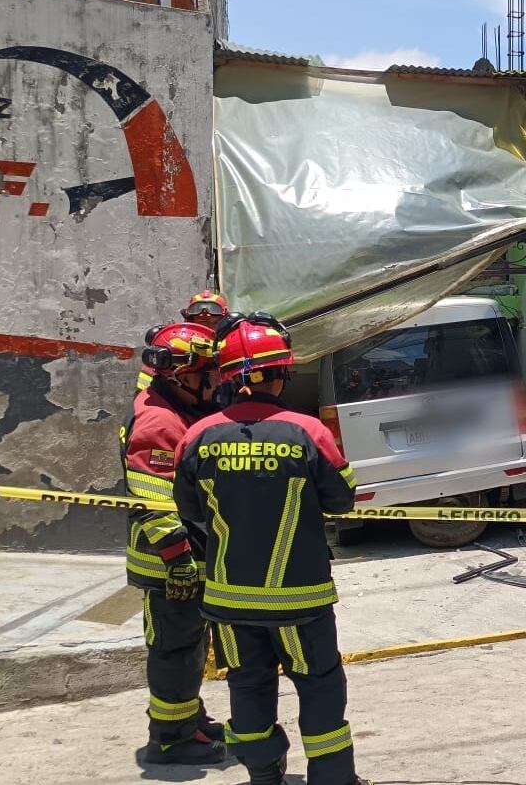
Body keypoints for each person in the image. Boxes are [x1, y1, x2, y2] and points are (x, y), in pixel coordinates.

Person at [173, 312, 368, 785]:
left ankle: (263, 775)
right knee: (320, 687)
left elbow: (189, 508)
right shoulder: (308, 433)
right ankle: (332, 778)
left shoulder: (195, 437)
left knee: (247, 688)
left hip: (231, 601)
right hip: (300, 598)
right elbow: (343, 498)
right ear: (279, 373)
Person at [120, 321, 226, 765]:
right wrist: (179, 559)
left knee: (188, 647)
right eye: (207, 375)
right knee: (175, 649)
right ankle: (170, 739)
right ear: (181, 376)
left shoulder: (173, 405)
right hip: (169, 563)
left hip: (184, 556)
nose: (215, 382)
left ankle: (187, 719)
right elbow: (154, 501)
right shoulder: (159, 421)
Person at [136, 290, 230, 396]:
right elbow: (144, 396)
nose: (204, 332)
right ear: (189, 322)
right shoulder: (169, 353)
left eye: (213, 323)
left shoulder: (231, 352)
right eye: (200, 324)